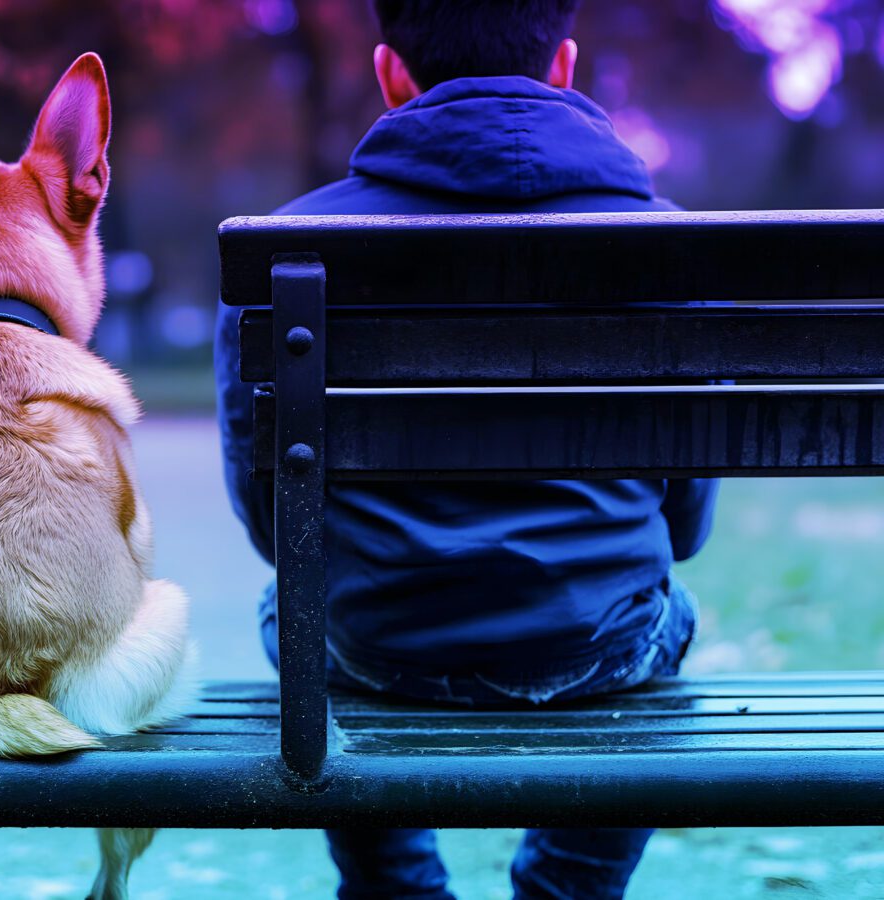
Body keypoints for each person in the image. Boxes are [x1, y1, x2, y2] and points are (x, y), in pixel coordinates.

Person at [215, 2, 718, 897]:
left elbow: (272, 528)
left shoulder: (287, 256)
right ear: (563, 65)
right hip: (597, 649)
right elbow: (685, 531)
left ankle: (398, 882)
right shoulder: (675, 245)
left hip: (373, 649)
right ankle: (569, 883)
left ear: (390, 78)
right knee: (665, 620)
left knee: (287, 612)